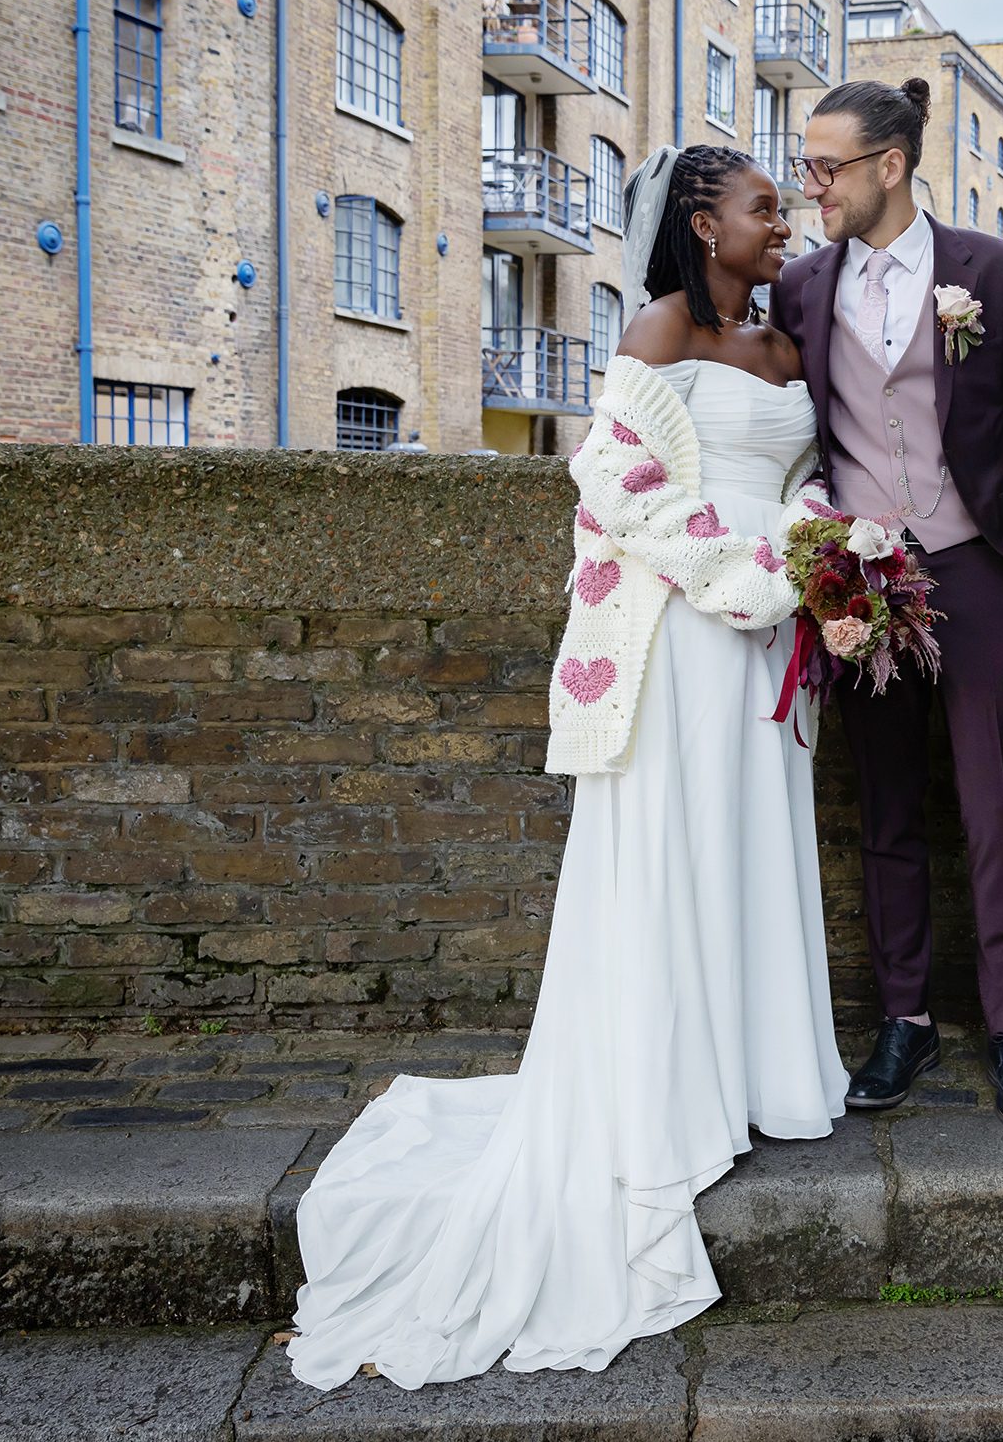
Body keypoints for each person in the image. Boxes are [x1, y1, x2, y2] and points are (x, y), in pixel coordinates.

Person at [285, 145, 851, 1389]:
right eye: (764, 207)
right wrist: (751, 579)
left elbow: (802, 482)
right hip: (690, 634)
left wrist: (822, 562)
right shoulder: (659, 327)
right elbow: (621, 489)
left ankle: (755, 1075)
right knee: (677, 854)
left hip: (769, 643)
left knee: (750, 851)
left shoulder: (786, 345)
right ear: (704, 225)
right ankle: (670, 1089)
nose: (782, 224)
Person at [774, 77, 1003, 1134]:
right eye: (806, 164)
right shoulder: (802, 287)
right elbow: (793, 430)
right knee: (887, 807)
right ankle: (904, 1017)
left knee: (998, 811)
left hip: (979, 566)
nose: (810, 183)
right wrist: (818, 556)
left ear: (889, 165)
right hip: (860, 578)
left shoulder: (990, 270)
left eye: (826, 166)